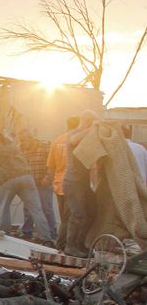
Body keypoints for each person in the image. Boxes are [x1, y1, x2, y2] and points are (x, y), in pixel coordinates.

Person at [0, 133, 53, 243]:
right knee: (36, 209)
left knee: (4, 208)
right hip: (27, 177)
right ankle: (46, 238)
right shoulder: (14, 147)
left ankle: (5, 237)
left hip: (8, 179)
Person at [63, 110, 99, 257]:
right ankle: (70, 246)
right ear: (88, 122)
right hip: (73, 181)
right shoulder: (74, 133)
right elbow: (74, 141)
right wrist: (94, 128)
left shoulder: (88, 137)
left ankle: (81, 244)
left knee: (91, 212)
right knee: (77, 214)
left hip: (84, 182)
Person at [46, 116, 79, 251]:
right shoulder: (78, 140)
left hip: (59, 183)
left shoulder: (57, 140)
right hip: (73, 184)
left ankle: (62, 244)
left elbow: (51, 165)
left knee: (64, 216)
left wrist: (52, 182)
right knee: (71, 216)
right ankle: (63, 245)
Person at [18, 128, 56, 240]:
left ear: (30, 139)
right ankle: (27, 232)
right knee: (28, 209)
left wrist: (48, 178)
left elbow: (52, 163)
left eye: (23, 140)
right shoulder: (21, 148)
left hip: (43, 183)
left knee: (46, 208)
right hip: (29, 185)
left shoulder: (44, 147)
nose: (22, 143)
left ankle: (51, 233)